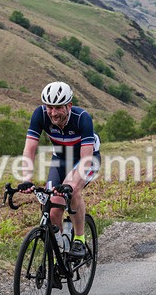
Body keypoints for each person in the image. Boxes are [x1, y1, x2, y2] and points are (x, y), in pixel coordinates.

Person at [19, 81, 101, 267]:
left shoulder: (82, 118)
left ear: (69, 105)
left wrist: (70, 185)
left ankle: (79, 239)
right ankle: (59, 255)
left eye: (58, 108)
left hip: (86, 159)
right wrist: (27, 178)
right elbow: (30, 148)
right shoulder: (40, 114)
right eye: (50, 107)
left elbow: (86, 158)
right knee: (53, 206)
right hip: (60, 159)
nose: (53, 113)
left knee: (71, 191)